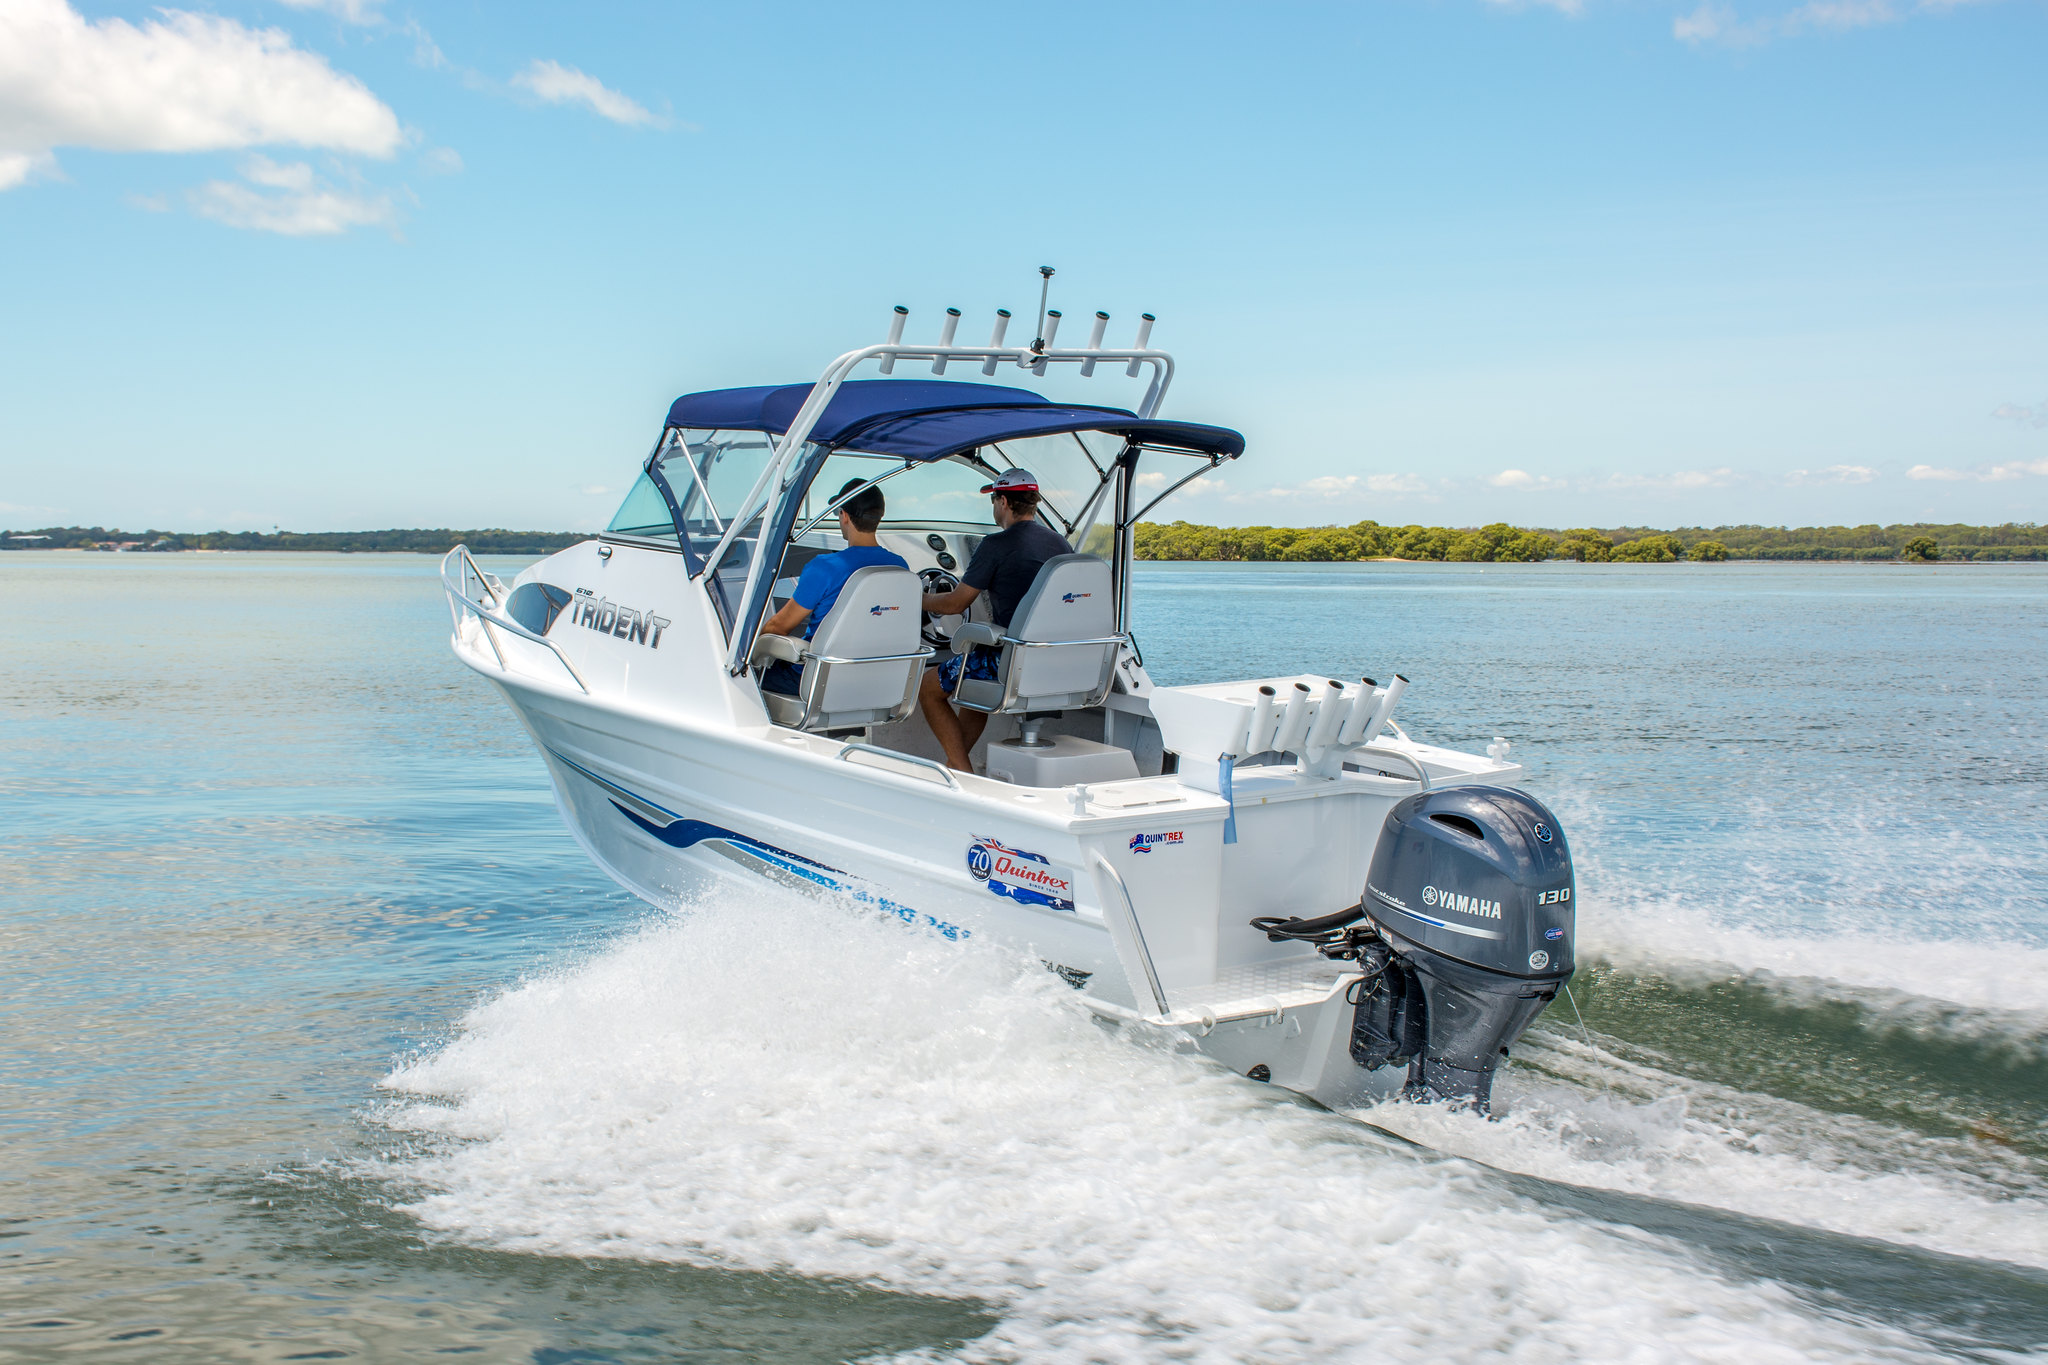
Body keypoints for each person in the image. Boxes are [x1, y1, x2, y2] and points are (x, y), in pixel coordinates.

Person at [919, 468, 1073, 771]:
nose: (994, 507)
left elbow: (954, 603)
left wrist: (915, 599)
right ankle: (955, 765)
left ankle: (962, 769)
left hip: (1011, 658)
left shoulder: (995, 545)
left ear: (1003, 501)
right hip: (1055, 659)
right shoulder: (1061, 545)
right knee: (971, 681)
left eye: (993, 500)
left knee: (928, 687)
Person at [758, 479, 909, 695]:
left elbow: (777, 628)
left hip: (817, 681)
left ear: (845, 516)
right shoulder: (899, 567)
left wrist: (749, 653)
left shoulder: (824, 568)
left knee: (746, 676)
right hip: (875, 682)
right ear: (879, 517)